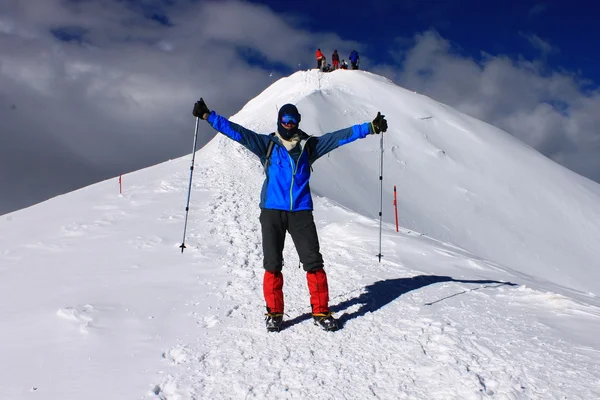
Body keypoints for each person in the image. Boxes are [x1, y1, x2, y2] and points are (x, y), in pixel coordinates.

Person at [192, 99, 388, 332]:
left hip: (301, 212)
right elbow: (237, 132)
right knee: (273, 263)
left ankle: (321, 311)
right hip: (272, 211)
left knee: (313, 262)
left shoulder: (310, 146)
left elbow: (339, 137)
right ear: (279, 121)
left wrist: (370, 128)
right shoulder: (267, 144)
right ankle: (274, 313)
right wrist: (208, 116)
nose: (289, 124)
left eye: (293, 120)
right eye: (285, 120)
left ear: (298, 122)